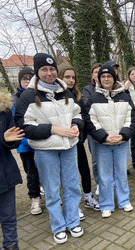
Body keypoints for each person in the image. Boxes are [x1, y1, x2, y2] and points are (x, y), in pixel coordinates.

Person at [14, 53, 84, 244]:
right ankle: (58, 226)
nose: (49, 73)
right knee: (52, 190)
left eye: (52, 69)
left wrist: (77, 125)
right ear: (37, 71)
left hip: (69, 147)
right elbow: (24, 126)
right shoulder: (28, 95)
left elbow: (77, 113)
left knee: (72, 186)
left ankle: (72, 221)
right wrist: (54, 129)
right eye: (44, 69)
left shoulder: (65, 91)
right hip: (46, 151)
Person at [84, 63, 135, 217]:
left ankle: (124, 200)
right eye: (103, 76)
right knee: (104, 175)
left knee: (121, 173)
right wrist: (104, 137)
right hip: (102, 144)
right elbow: (90, 120)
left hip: (121, 143)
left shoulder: (124, 96)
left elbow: (131, 118)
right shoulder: (93, 98)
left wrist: (123, 134)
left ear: (114, 78)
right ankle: (106, 204)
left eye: (109, 76)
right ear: (99, 79)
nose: (106, 79)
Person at [58, 64, 100, 220]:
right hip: (62, 142)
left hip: (78, 140)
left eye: (73, 77)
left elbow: (83, 116)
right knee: (69, 175)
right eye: (67, 77)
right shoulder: (57, 96)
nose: (70, 80)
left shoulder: (77, 95)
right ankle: (72, 205)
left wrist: (82, 133)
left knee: (84, 169)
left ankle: (88, 197)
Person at [12, 67, 42, 215]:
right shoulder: (15, 100)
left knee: (45, 171)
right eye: (25, 79)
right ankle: (35, 198)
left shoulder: (39, 95)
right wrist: (26, 141)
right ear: (20, 81)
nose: (28, 81)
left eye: (30, 78)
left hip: (41, 144)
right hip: (26, 146)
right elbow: (15, 125)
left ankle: (49, 194)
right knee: (31, 174)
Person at [0, 91, 24, 250]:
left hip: (5, 172)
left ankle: (11, 246)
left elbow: (14, 141)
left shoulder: (5, 108)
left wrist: (8, 140)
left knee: (9, 217)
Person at [82, 62, 102, 196]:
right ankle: (100, 183)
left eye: (100, 72)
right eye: (96, 72)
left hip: (109, 128)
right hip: (93, 130)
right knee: (96, 159)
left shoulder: (112, 87)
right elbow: (88, 106)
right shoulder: (88, 89)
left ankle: (108, 180)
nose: (98, 74)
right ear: (93, 75)